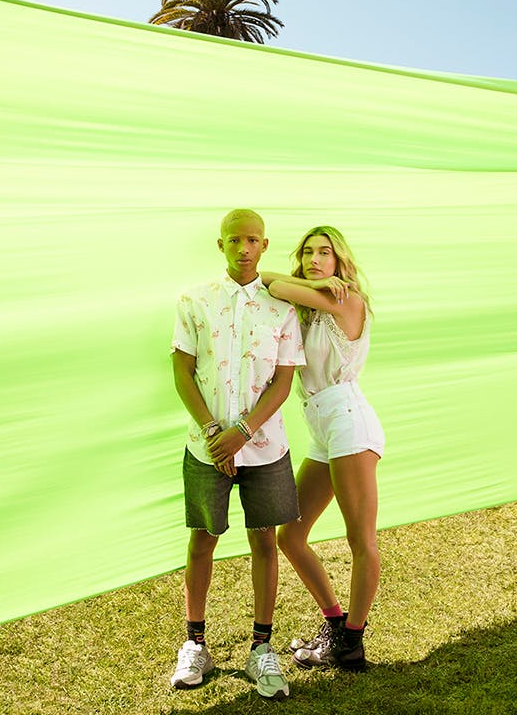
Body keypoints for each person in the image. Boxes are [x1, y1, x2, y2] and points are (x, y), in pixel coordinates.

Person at [168, 209, 306, 700]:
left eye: (252, 240)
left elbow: (284, 379)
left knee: (265, 539)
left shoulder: (282, 308)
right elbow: (182, 370)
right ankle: (195, 644)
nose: (243, 248)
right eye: (234, 240)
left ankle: (261, 649)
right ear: (220, 244)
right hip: (205, 448)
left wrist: (243, 433)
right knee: (202, 539)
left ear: (264, 246)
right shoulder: (195, 301)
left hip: (266, 447)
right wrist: (214, 432)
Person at [261, 225, 384, 671]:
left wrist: (311, 286)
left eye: (324, 253)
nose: (315, 259)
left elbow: (272, 282)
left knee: (360, 539)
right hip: (323, 427)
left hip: (349, 422)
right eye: (308, 253)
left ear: (340, 261)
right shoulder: (313, 304)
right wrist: (311, 282)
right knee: (290, 534)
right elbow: (268, 279)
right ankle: (336, 625)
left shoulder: (346, 299)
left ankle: (352, 642)